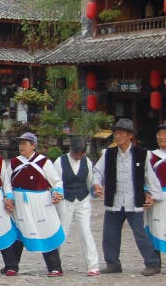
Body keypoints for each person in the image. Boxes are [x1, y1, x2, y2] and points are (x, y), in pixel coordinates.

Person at [93, 118, 162, 276]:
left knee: (140, 234)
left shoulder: (142, 154)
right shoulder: (108, 154)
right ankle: (113, 263)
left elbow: (150, 177)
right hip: (114, 200)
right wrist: (97, 184)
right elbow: (98, 172)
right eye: (116, 133)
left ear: (130, 135)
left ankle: (152, 263)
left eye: (121, 133)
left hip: (134, 201)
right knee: (109, 234)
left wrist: (153, 195)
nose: (117, 136)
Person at [4, 132, 65, 277]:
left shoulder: (44, 162)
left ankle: (54, 266)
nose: (21, 146)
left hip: (40, 203)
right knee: (18, 233)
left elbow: (56, 181)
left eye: (25, 143)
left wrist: (57, 192)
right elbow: (6, 183)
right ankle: (11, 265)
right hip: (20, 203)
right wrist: (9, 197)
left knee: (46, 231)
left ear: (33, 145)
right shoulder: (14, 163)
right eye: (20, 143)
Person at [53, 137, 100, 276]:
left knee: (86, 232)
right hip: (65, 200)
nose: (79, 156)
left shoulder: (87, 162)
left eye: (82, 154)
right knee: (62, 232)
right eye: (77, 154)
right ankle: (56, 264)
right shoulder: (60, 162)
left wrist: (95, 190)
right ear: (71, 150)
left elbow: (90, 181)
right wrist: (56, 194)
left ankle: (93, 265)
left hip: (82, 200)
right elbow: (56, 182)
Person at [146, 124, 166, 252]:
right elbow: (145, 176)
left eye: (165, 134)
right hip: (157, 197)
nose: (162, 137)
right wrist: (146, 193)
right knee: (156, 228)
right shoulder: (151, 156)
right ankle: (154, 262)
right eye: (159, 135)